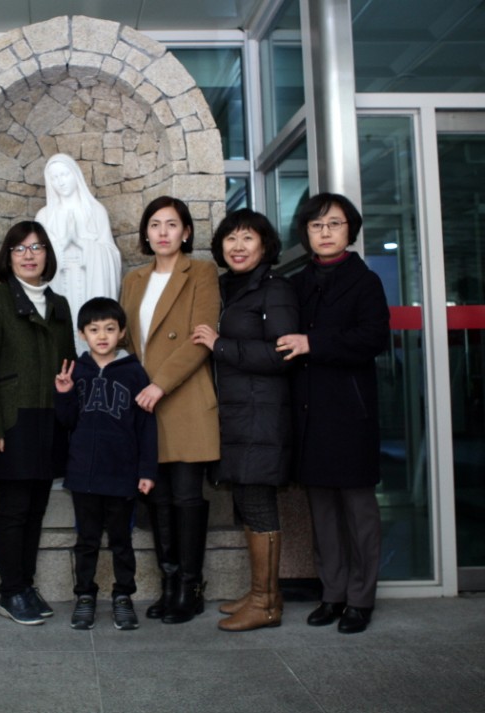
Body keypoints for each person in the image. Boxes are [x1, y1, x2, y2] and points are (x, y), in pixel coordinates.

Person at [276, 192, 390, 634]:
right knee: (321, 511)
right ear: (306, 233)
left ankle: (361, 599)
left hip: (349, 412)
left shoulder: (365, 282)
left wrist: (313, 343)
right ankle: (333, 593)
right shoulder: (297, 283)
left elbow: (373, 338)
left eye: (334, 224)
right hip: (308, 412)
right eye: (316, 225)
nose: (325, 232)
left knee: (359, 511)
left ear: (350, 230)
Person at [192, 209, 299, 632]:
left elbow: (283, 353)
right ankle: (261, 592)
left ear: (265, 245)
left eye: (248, 238)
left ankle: (266, 604)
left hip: (261, 414)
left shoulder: (276, 288)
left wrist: (221, 345)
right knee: (246, 501)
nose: (238, 247)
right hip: (236, 413)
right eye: (231, 238)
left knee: (257, 502)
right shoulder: (226, 287)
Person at [119, 196, 220, 625]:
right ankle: (169, 582)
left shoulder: (201, 272)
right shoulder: (134, 279)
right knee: (157, 498)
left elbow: (201, 338)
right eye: (155, 224)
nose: (163, 232)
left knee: (185, 495)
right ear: (146, 233)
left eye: (172, 224)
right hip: (144, 402)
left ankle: (190, 588)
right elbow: (126, 342)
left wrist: (159, 383)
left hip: (184, 396)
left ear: (186, 232)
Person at [0, 221, 77, 625]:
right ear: (9, 256)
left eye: (37, 247)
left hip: (48, 419)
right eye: (19, 248)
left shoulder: (59, 305)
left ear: (47, 254)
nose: (29, 255)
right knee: (14, 509)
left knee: (36, 508)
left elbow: (69, 363)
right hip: (12, 420)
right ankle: (11, 591)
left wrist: (68, 403)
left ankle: (25, 584)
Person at [53, 298, 157, 631]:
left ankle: (123, 596)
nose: (102, 336)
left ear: (122, 332)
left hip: (122, 474)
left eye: (110, 329)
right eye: (94, 329)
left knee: (121, 541)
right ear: (82, 334)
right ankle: (84, 596)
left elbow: (146, 426)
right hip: (83, 474)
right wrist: (65, 393)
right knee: (86, 540)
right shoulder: (77, 371)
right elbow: (67, 421)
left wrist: (146, 471)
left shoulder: (134, 372)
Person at [35, 154, 122, 332]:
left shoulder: (95, 211)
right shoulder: (44, 216)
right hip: (59, 282)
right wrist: (62, 246)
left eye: (64, 174)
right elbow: (38, 257)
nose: (60, 182)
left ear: (75, 175)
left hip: (90, 283)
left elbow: (111, 253)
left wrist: (84, 246)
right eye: (54, 178)